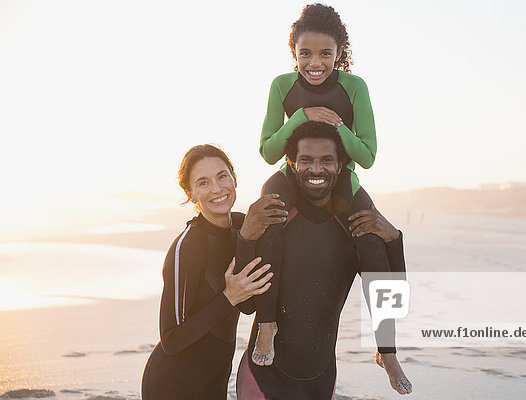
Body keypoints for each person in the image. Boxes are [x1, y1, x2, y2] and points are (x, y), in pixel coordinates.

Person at [250, 2, 394, 369]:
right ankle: (267, 325)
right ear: (293, 53)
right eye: (306, 53)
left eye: (325, 53)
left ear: (339, 53)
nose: (315, 63)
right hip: (291, 176)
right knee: (269, 221)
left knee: (376, 248)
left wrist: (338, 127)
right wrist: (301, 116)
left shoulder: (355, 87)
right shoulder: (281, 86)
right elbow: (268, 151)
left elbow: (368, 156)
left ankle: (388, 350)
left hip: (341, 179)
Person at [236, 122, 412, 399]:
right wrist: (246, 238)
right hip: (262, 378)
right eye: (306, 160)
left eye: (326, 160)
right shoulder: (277, 219)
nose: (316, 169)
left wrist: (393, 239)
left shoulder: (355, 228)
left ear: (341, 165)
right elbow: (246, 304)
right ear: (292, 164)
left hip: (321, 380)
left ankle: (387, 354)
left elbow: (392, 294)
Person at [141, 144, 288, 400]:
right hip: (172, 385)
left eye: (222, 176)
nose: (218, 189)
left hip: (216, 379)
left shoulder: (245, 226)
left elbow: (250, 304)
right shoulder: (186, 247)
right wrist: (228, 297)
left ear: (234, 178)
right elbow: (171, 339)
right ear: (190, 193)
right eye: (203, 183)